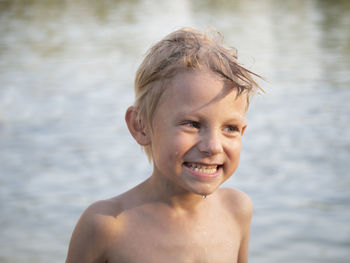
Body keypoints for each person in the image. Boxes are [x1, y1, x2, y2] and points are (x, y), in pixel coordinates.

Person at [66, 27, 263, 263]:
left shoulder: (237, 210)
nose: (213, 146)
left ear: (242, 131)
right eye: (192, 124)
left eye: (229, 128)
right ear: (140, 126)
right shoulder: (107, 226)